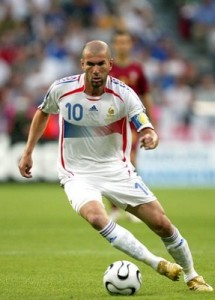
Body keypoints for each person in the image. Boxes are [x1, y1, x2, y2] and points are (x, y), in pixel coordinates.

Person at [18, 40, 213, 292]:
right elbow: (43, 112)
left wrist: (150, 134)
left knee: (162, 224)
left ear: (110, 64)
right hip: (77, 173)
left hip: (116, 171)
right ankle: (157, 264)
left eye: (101, 64)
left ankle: (192, 275)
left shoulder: (124, 93)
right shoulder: (61, 89)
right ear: (82, 64)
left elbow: (143, 122)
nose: (96, 70)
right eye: (90, 64)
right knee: (97, 218)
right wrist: (28, 152)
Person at [109, 30, 154, 221]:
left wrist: (150, 124)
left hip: (133, 123)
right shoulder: (107, 69)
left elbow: (146, 96)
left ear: (130, 45)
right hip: (110, 123)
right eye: (119, 42)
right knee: (112, 164)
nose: (122, 46)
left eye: (126, 42)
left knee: (130, 160)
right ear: (114, 45)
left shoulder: (137, 68)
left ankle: (134, 206)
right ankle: (114, 208)